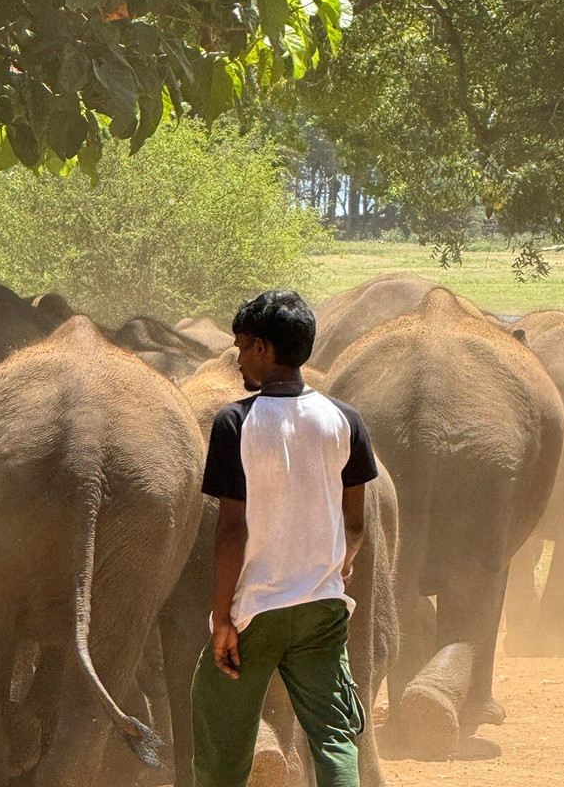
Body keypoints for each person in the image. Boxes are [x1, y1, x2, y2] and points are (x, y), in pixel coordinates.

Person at [191, 289, 378, 787]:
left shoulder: (236, 422)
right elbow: (355, 520)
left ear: (263, 349)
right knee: (335, 739)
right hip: (321, 606)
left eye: (242, 346)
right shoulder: (346, 419)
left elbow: (232, 530)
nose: (236, 360)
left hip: (256, 610)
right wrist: (341, 565)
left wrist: (222, 618)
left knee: (220, 739)